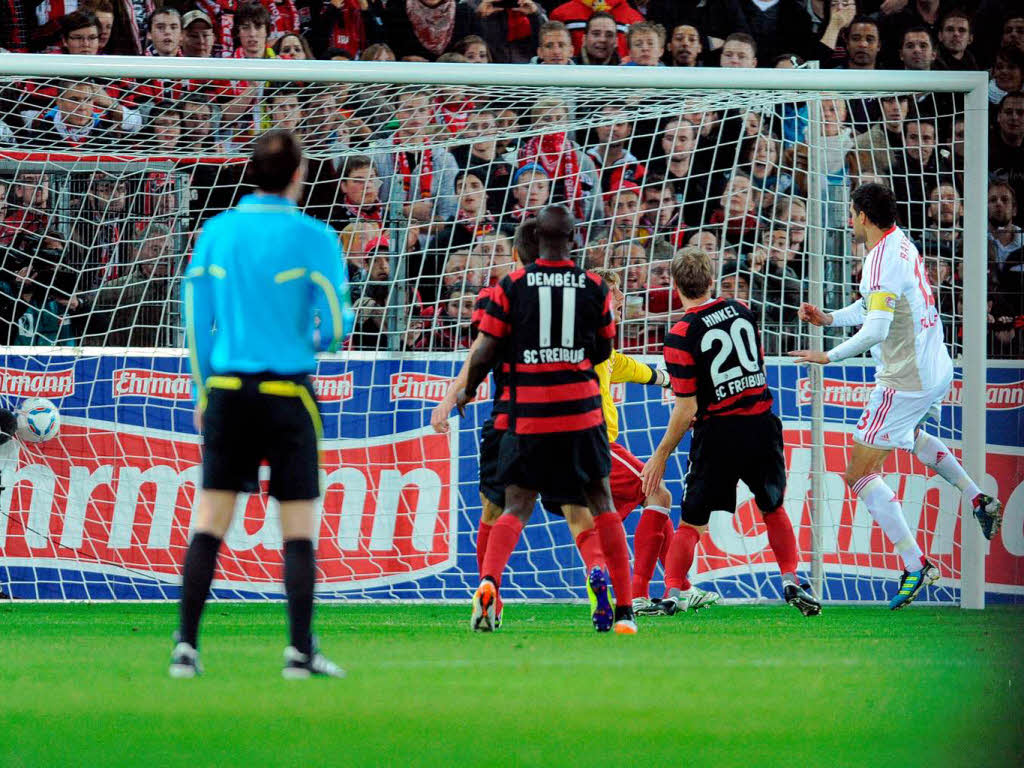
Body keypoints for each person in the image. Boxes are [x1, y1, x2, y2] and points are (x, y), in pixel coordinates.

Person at [171, 129, 354, 679]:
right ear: (299, 175)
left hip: (227, 391)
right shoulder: (316, 237)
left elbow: (195, 319)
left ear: (250, 172)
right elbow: (338, 326)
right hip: (287, 392)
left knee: (211, 519)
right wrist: (308, 341)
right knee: (298, 526)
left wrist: (204, 390)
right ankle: (300, 651)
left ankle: (186, 648)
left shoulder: (217, 233)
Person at [789, 183, 1003, 610]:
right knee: (914, 437)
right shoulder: (901, 244)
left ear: (864, 217)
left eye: (852, 214)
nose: (849, 220)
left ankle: (914, 563)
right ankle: (979, 497)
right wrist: (830, 318)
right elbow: (874, 306)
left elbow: (877, 329)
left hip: (905, 380)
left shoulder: (880, 259)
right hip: (935, 365)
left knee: (859, 474)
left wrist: (827, 355)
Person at [456, 205, 638, 635]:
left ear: (536, 240)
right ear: (573, 239)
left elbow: (484, 350)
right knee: (601, 504)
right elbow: (604, 351)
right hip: (581, 414)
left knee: (516, 505)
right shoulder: (595, 286)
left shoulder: (511, 285)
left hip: (529, 417)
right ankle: (626, 611)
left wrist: (465, 390)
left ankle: (489, 582)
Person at [640, 246, 820, 617]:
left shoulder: (680, 334)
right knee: (773, 508)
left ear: (676, 286)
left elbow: (686, 407)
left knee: (691, 523)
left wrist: (660, 454)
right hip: (760, 425)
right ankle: (790, 578)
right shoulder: (741, 310)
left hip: (718, 433)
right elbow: (757, 365)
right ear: (711, 281)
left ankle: (673, 591)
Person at [588, 268, 689, 615]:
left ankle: (679, 587)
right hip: (596, 444)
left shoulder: (595, 337)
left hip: (590, 444)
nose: (620, 299)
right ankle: (640, 594)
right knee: (657, 492)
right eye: (613, 292)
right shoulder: (589, 334)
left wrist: (664, 379)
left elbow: (620, 365)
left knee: (630, 514)